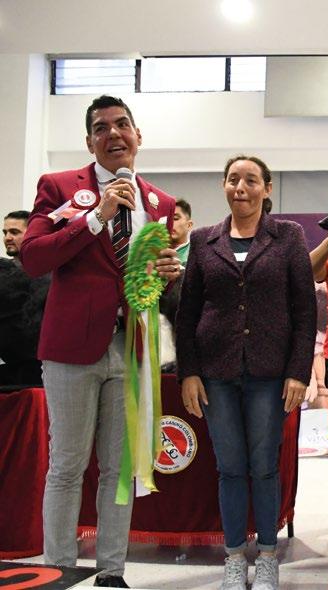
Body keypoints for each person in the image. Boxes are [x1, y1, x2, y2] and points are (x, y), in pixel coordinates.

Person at [19, 95, 181, 587]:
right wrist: (95, 218)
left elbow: (144, 277)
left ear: (138, 136)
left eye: (122, 124)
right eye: (101, 128)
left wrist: (166, 272)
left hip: (131, 349)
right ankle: (58, 568)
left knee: (118, 470)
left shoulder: (160, 203)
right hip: (71, 349)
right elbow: (34, 257)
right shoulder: (60, 187)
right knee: (67, 466)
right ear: (89, 142)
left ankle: (112, 571)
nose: (113, 134)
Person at [176, 155, 316, 590]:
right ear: (223, 185)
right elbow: (187, 312)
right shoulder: (203, 240)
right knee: (230, 468)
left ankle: (268, 556)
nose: (241, 187)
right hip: (215, 373)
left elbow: (304, 309)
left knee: (264, 468)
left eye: (251, 180)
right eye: (233, 179)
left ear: (267, 188)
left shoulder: (288, 237)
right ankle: (235, 556)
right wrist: (189, 372)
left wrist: (298, 371)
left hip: (269, 372)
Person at [0, 210, 49, 385]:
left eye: (14, 232)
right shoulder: (3, 272)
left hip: (42, 369)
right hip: (9, 370)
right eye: (5, 232)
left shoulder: (52, 273)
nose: (7, 238)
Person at [169, 198, 194, 267]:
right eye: (167, 219)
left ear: (189, 225)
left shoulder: (196, 255)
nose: (170, 223)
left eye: (175, 218)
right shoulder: (154, 253)